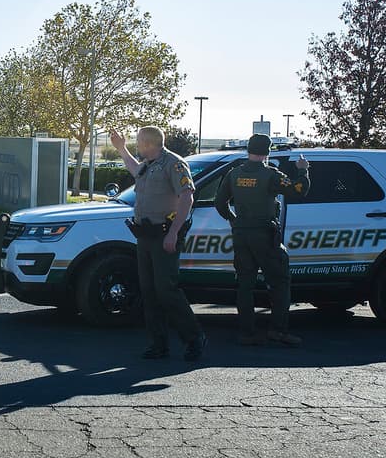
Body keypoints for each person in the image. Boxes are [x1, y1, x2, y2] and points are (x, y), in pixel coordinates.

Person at [110, 126, 207, 362]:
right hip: (144, 236)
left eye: (137, 141)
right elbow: (136, 171)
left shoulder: (173, 163)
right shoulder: (149, 163)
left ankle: (194, 338)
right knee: (149, 291)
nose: (136, 144)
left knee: (166, 290)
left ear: (148, 143)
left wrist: (173, 233)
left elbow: (187, 196)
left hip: (164, 235)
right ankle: (158, 343)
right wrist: (121, 149)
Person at [213, 134, 311, 347]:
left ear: (248, 149)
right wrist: (303, 169)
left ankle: (247, 333)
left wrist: (234, 221)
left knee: (245, 285)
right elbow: (299, 190)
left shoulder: (234, 174)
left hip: (241, 235)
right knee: (279, 282)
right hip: (265, 236)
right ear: (268, 152)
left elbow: (220, 203)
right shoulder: (270, 175)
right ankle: (278, 331)